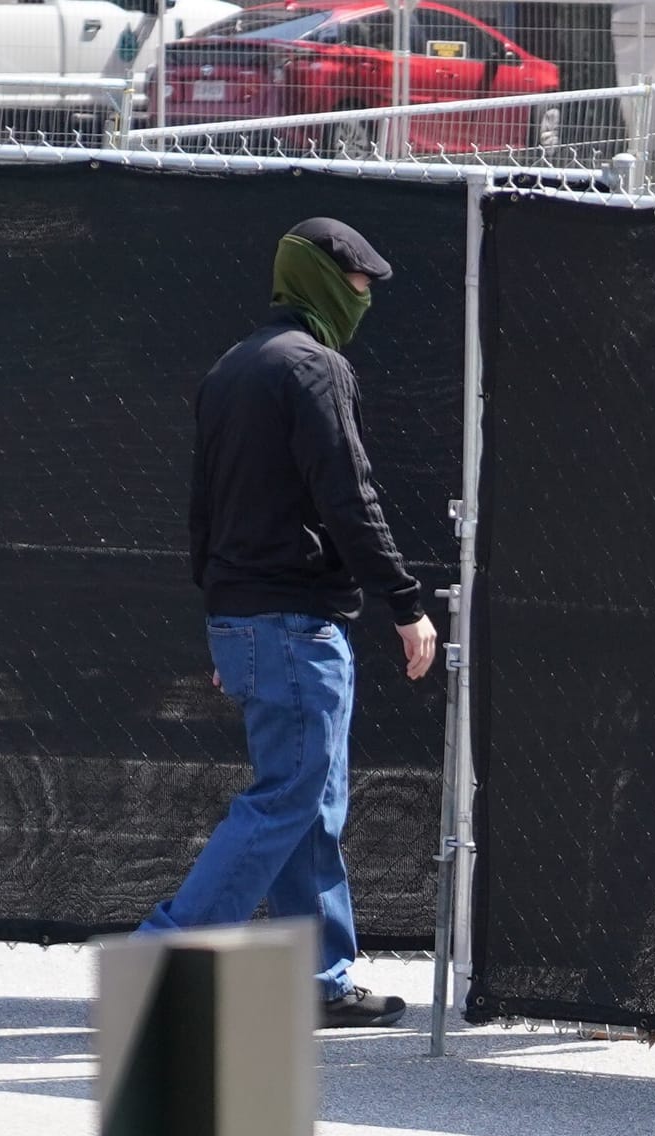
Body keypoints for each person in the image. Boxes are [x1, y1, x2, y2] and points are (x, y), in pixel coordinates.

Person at [137, 217, 438, 1029]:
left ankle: (319, 982)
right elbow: (350, 497)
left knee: (312, 806)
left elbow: (204, 511)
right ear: (320, 282)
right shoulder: (315, 370)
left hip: (251, 618)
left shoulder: (234, 367)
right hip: (295, 625)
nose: (367, 297)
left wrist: (223, 615)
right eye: (358, 283)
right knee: (287, 801)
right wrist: (406, 604)